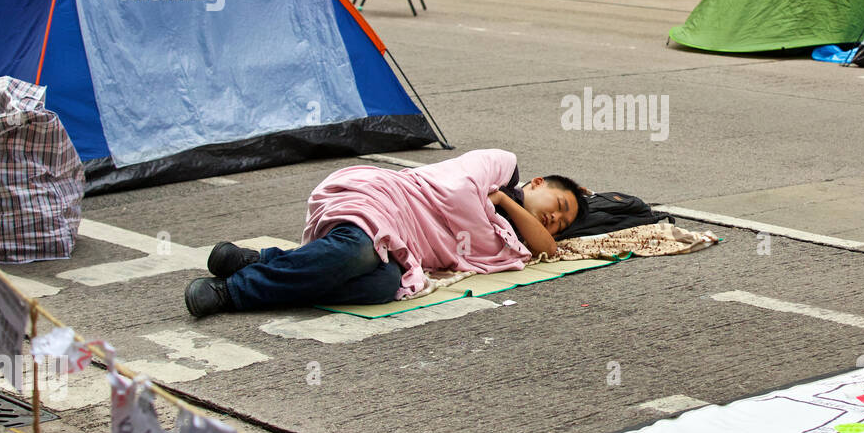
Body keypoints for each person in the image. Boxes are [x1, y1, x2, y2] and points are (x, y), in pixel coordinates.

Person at [184, 149, 587, 317]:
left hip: (403, 249)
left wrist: (504, 203)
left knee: (381, 285)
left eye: (565, 222)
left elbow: (547, 249)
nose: (557, 218)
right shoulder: (501, 164)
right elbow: (454, 191)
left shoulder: (508, 228)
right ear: (537, 183)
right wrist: (495, 198)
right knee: (355, 253)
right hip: (386, 198)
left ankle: (264, 260)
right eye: (560, 205)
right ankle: (234, 291)